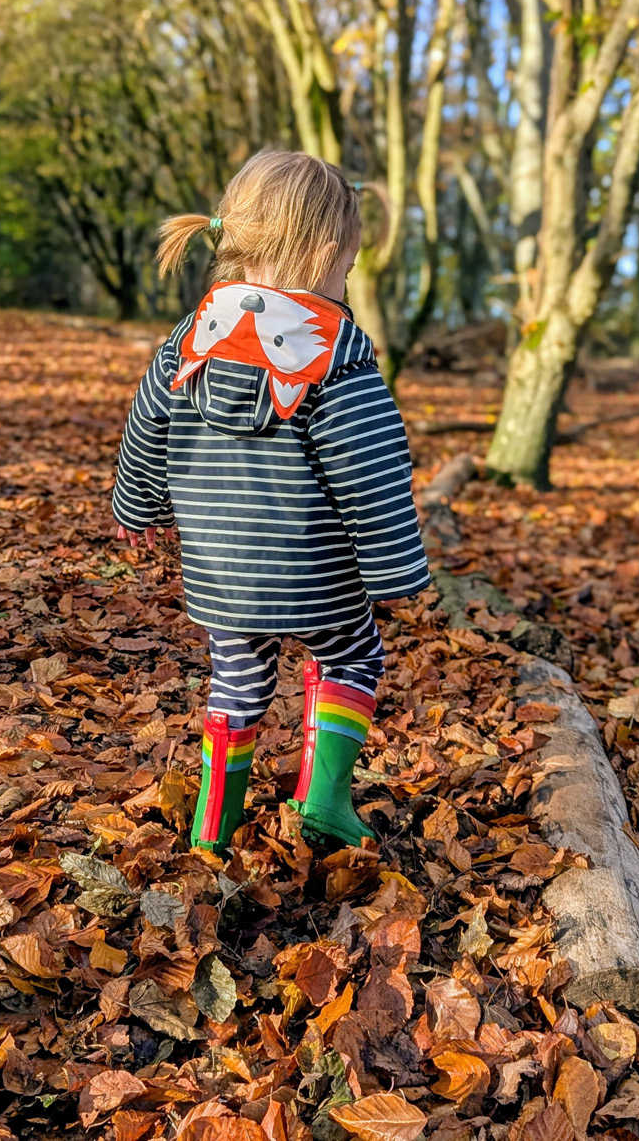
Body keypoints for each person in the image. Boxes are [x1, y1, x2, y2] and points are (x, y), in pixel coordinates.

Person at [112, 151, 429, 854]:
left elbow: (146, 424)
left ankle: (211, 829)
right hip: (316, 573)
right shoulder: (336, 351)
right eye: (345, 267)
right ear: (323, 252)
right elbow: (371, 471)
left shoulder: (191, 339)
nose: (343, 280)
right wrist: (395, 571)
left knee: (237, 680)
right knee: (352, 654)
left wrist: (139, 507)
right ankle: (323, 803)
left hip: (221, 576)